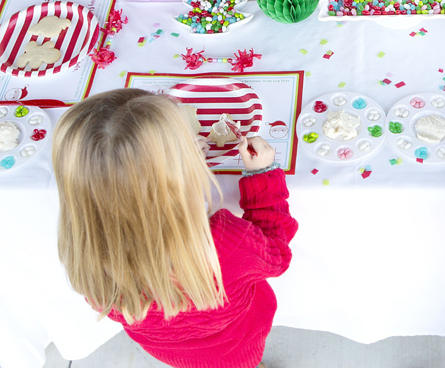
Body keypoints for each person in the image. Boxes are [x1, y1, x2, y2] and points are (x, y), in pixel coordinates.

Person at [53, 88, 298, 368]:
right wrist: (261, 176)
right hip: (235, 347)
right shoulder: (221, 241)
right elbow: (277, 253)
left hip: (169, 352)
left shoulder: (87, 253)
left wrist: (175, 165)